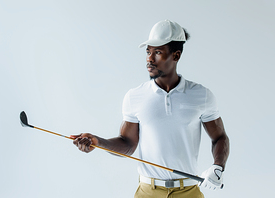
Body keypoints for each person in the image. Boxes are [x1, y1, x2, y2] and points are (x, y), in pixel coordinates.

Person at [70, 19, 229, 198]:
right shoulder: (135, 96)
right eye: (148, 52)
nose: (149, 59)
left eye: (158, 52)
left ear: (176, 56)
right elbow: (128, 144)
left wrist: (218, 167)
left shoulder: (202, 95)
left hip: (189, 192)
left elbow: (219, 137)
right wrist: (99, 142)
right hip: (148, 192)